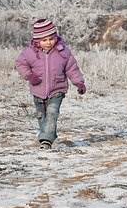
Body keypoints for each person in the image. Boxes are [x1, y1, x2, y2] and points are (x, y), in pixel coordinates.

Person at [15, 18, 87, 149]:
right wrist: (30, 76)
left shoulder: (63, 52)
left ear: (56, 37)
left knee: (52, 113)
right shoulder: (30, 53)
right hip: (38, 89)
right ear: (37, 41)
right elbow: (20, 64)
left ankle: (46, 140)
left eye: (51, 38)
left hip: (57, 89)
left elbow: (72, 69)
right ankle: (47, 136)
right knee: (41, 115)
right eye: (44, 40)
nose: (48, 42)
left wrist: (79, 83)